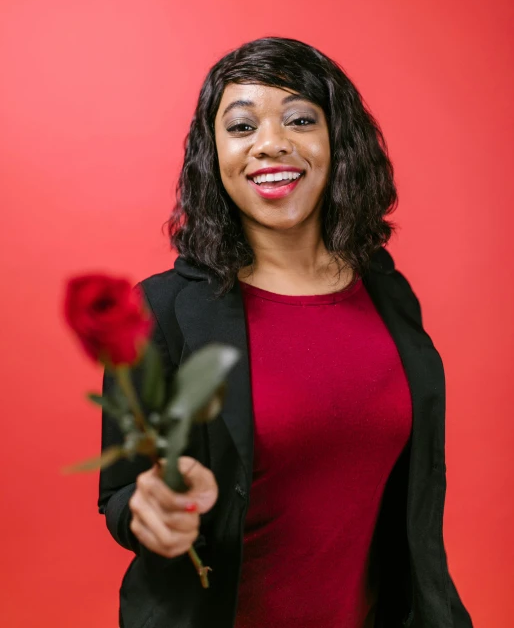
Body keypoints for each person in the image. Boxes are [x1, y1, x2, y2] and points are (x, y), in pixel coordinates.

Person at [98, 37, 473, 628]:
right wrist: (148, 508)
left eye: (300, 119)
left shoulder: (385, 288)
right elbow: (120, 493)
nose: (271, 143)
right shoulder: (161, 309)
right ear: (213, 154)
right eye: (241, 126)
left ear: (336, 143)